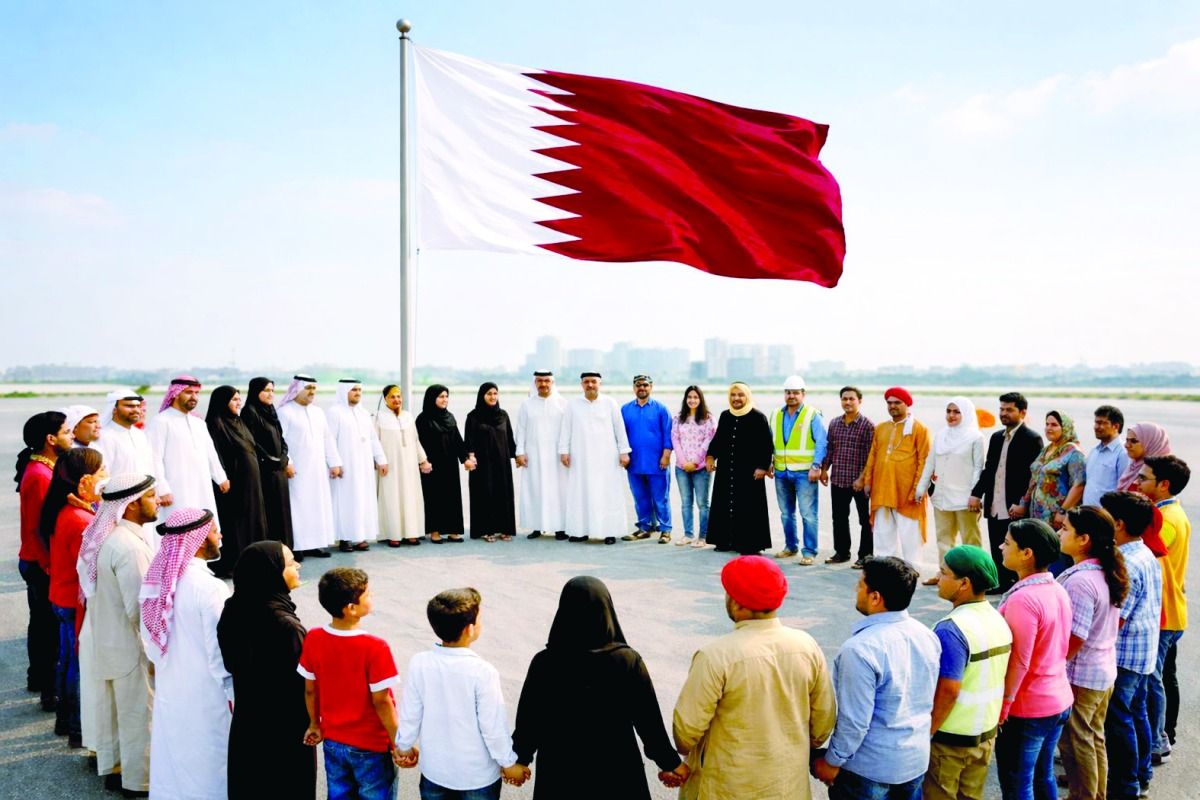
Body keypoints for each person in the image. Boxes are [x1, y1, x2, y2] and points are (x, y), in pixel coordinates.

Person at [673, 556, 835, 799]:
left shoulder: (715, 656)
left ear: (737, 603)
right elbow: (822, 724)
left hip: (726, 788)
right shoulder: (807, 646)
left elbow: (685, 734)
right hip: (787, 787)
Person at [512, 576, 686, 799]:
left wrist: (519, 759)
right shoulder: (627, 661)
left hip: (561, 771)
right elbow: (648, 720)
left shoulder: (545, 662)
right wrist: (670, 763)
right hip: (617, 771)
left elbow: (530, 719)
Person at [812, 556, 940, 799]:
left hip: (869, 771)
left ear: (875, 597)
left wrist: (832, 761)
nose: (855, 589)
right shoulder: (926, 635)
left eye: (860, 584)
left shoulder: (860, 649)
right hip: (914, 760)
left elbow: (855, 721)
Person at [394, 588, 529, 798]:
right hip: (477, 776)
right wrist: (508, 762)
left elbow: (410, 713)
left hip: (435, 772)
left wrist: (403, 746)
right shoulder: (482, 672)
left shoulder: (420, 663)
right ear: (469, 629)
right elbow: (492, 727)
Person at [141, 507, 234, 800]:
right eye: (215, 531)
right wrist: (232, 692)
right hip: (207, 694)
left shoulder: (157, 584)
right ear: (200, 538)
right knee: (209, 763)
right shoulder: (209, 589)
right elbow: (220, 652)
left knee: (175, 760)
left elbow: (150, 641)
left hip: (171, 688)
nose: (221, 536)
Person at [76, 473, 158, 796]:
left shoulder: (112, 537)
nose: (157, 502)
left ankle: (117, 772)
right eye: (150, 497)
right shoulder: (128, 547)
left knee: (117, 712)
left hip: (108, 641)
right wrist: (155, 652)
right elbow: (139, 611)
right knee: (139, 716)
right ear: (132, 505)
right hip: (130, 647)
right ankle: (138, 783)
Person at [217, 541, 315, 800]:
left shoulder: (233, 609)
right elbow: (304, 682)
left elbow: (230, 663)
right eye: (291, 562)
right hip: (286, 729)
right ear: (272, 571)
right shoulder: (285, 626)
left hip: (249, 724)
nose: (298, 566)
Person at [299, 567, 400, 800]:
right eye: (368, 594)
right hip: (371, 744)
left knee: (339, 794)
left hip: (334, 740)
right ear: (352, 608)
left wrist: (315, 724)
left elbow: (310, 690)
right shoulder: (375, 647)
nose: (372, 597)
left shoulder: (314, 637)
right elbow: (382, 701)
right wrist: (398, 742)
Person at [995, 519, 1074, 799]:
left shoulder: (1024, 599)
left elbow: (1019, 661)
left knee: (1019, 785)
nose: (1001, 547)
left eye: (1008, 543)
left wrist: (1003, 706)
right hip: (1057, 699)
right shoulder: (1056, 589)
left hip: (1029, 707)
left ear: (1027, 553)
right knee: (1042, 776)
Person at [926, 545, 1012, 800]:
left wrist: (928, 731)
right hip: (984, 735)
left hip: (950, 740)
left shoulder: (951, 629)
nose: (939, 578)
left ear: (964, 583)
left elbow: (949, 690)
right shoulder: (997, 619)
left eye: (944, 573)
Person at [1055, 506, 1128, 800]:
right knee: (1093, 738)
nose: (1060, 533)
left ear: (1084, 539)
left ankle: (1084, 795)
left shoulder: (1081, 581)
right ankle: (1094, 794)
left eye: (1066, 530)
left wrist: (1056, 666)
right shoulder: (1102, 570)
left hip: (1082, 674)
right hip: (1101, 670)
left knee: (1078, 741)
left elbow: (1076, 636)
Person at [1098, 491, 1161, 799]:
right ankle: (1141, 774)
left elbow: (1116, 620)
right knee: (1136, 714)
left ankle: (1126, 786)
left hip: (1124, 655)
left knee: (1118, 720)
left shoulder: (1127, 564)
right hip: (1142, 651)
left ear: (1118, 524)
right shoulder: (1143, 552)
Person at [41, 447, 106, 747]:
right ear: (84, 481)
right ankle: (77, 727)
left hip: (60, 594)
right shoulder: (80, 518)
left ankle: (65, 720)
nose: (105, 477)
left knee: (67, 660)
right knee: (78, 665)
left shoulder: (65, 507)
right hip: (72, 600)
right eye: (100, 473)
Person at [16, 409, 71, 710]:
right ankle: (48, 689)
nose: (71, 436)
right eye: (66, 432)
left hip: (39, 560)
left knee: (41, 623)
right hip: (40, 562)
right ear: (51, 439)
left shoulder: (46, 467)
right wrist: (51, 566)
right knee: (47, 628)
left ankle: (39, 678)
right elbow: (39, 528)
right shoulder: (39, 475)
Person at [1137, 455, 1190, 767]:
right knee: (1158, 677)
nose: (1139, 482)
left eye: (1145, 478)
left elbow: (1148, 556)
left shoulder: (1166, 520)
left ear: (1164, 484)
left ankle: (1157, 740)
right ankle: (1158, 736)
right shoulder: (1170, 512)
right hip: (1170, 609)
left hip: (1163, 613)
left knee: (1152, 679)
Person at [970, 392, 1044, 595]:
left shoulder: (1032, 438)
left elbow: (1033, 476)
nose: (1004, 413)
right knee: (996, 544)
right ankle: (1001, 583)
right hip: (995, 501)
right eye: (1001, 409)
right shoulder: (995, 437)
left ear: (1022, 412)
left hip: (1015, 505)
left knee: (1017, 547)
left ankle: (1017, 585)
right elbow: (989, 470)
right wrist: (976, 494)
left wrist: (1022, 503)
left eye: (1009, 409)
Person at [917, 396, 985, 585]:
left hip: (966, 498)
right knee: (944, 540)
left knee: (970, 540)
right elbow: (930, 462)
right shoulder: (941, 435)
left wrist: (975, 495)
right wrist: (921, 487)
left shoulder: (975, 437)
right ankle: (944, 575)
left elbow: (979, 468)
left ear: (966, 413)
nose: (951, 415)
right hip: (942, 496)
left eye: (956, 412)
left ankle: (974, 578)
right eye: (949, 411)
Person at [558, 372, 631, 544]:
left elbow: (619, 428)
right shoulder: (573, 404)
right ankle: (579, 531)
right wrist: (563, 451)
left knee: (607, 494)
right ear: (581, 384)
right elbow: (566, 429)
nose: (590, 385)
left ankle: (609, 532)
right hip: (580, 457)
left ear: (600, 383)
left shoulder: (610, 403)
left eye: (593, 382)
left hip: (607, 458)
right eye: (586, 382)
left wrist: (624, 451)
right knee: (580, 493)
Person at [862, 387, 931, 565]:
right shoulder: (881, 428)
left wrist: (919, 488)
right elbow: (873, 456)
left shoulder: (919, 429)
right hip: (882, 489)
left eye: (897, 403)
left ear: (907, 404)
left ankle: (911, 569)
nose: (892, 406)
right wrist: (868, 481)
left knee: (910, 533)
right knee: (882, 532)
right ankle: (884, 567)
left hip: (907, 490)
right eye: (889, 403)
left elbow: (925, 460)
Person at [206, 385, 268, 577]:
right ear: (222, 402)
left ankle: (254, 560)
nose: (238, 402)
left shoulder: (238, 421)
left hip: (251, 484)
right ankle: (234, 563)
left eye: (239, 399)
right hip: (233, 485)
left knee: (253, 520)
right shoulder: (216, 424)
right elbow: (216, 456)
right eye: (233, 399)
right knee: (236, 524)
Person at [277, 375, 342, 558]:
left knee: (317, 505)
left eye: (314, 389)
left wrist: (334, 462)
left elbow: (327, 438)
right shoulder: (285, 412)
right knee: (298, 507)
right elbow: (280, 442)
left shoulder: (318, 412)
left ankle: (314, 544)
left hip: (318, 470)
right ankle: (297, 546)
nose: (312, 392)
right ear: (297, 389)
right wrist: (288, 462)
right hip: (297, 471)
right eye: (308, 389)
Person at [705, 382, 773, 554]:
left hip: (749, 472)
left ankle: (750, 544)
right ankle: (724, 541)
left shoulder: (758, 417)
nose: (736, 398)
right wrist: (711, 456)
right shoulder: (725, 416)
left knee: (749, 508)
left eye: (740, 395)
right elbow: (719, 439)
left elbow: (766, 445)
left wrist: (762, 466)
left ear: (747, 396)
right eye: (733, 395)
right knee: (724, 503)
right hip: (727, 469)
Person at [768, 375, 827, 564]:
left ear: (803, 394)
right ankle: (790, 546)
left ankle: (809, 552)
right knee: (786, 513)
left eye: (795, 392)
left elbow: (821, 442)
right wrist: (769, 462)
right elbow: (771, 442)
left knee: (808, 514)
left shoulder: (812, 415)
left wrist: (816, 466)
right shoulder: (776, 414)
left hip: (804, 473)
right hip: (781, 471)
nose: (791, 396)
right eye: (788, 392)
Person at [327, 380, 388, 552]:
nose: (357, 393)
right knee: (345, 501)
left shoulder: (363, 413)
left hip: (364, 466)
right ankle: (345, 538)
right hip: (345, 466)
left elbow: (372, 438)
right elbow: (329, 440)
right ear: (344, 391)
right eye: (354, 389)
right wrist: (335, 463)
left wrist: (381, 459)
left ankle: (359, 536)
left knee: (363, 500)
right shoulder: (335, 412)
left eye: (360, 389)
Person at [239, 377, 296, 548]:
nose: (270, 394)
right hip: (264, 471)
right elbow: (252, 442)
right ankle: (273, 551)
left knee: (283, 511)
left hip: (278, 470)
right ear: (256, 392)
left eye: (272, 390)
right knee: (270, 512)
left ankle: (286, 549)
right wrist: (273, 460)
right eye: (266, 390)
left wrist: (284, 457)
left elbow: (281, 437)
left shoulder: (271, 410)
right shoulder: (249, 412)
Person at [824, 385, 875, 567]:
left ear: (859, 401)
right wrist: (824, 469)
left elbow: (872, 456)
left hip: (859, 483)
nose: (847, 402)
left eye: (851, 399)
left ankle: (865, 556)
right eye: (844, 399)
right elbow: (830, 449)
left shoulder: (867, 425)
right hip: (838, 479)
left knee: (865, 520)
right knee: (839, 518)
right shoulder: (835, 423)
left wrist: (862, 479)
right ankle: (842, 552)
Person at [374, 384, 431, 547]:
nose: (396, 400)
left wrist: (423, 460)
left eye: (399, 396)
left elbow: (415, 440)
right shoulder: (378, 417)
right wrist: (380, 461)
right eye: (392, 397)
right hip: (390, 466)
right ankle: (394, 534)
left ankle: (411, 533)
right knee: (392, 497)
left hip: (409, 466)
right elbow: (375, 443)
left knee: (410, 496)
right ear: (385, 399)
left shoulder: (408, 416)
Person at [515, 370, 568, 540]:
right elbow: (521, 430)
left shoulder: (563, 403)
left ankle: (560, 527)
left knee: (558, 491)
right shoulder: (527, 404)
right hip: (534, 455)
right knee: (535, 490)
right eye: (539, 381)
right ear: (535, 383)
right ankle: (537, 526)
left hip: (557, 457)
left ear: (552, 382)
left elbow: (568, 431)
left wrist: (566, 451)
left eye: (546, 381)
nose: (543, 384)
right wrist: (520, 453)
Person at [620, 374, 674, 543]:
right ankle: (645, 527)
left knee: (660, 497)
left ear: (651, 387)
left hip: (657, 462)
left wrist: (666, 456)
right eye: (638, 385)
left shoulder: (661, 409)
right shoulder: (625, 409)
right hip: (634, 462)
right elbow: (620, 436)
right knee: (640, 497)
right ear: (633, 387)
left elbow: (668, 435)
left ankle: (665, 529)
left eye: (645, 385)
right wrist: (623, 455)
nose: (641, 388)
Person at [416, 384, 471, 544]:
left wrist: (465, 458)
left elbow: (458, 441)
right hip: (432, 465)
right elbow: (418, 443)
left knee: (452, 496)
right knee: (434, 497)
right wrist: (422, 461)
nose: (444, 399)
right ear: (432, 398)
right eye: (441, 396)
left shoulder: (450, 417)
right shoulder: (423, 419)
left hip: (450, 464)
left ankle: (453, 530)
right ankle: (435, 530)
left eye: (446, 396)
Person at [464, 382, 518, 542]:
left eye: (495, 393)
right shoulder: (473, 416)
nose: (493, 397)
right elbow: (469, 439)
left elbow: (509, 437)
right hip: (482, 463)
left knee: (503, 493)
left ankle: (505, 528)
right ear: (482, 396)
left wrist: (517, 457)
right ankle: (486, 529)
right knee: (485, 493)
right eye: (489, 394)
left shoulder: (503, 415)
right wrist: (470, 457)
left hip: (501, 463)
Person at [1015, 410, 1086, 529]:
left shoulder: (1074, 452)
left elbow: (1079, 485)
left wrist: (1063, 511)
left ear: (1065, 427)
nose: (1049, 428)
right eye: (1047, 424)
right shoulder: (1046, 450)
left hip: (1058, 517)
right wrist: (1023, 504)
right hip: (1037, 515)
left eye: (1054, 425)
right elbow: (1034, 479)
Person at [670, 385, 716, 547]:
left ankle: (703, 536)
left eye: (696, 397)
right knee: (685, 502)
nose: (692, 400)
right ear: (685, 399)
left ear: (700, 399)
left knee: (703, 503)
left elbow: (709, 440)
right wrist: (683, 462)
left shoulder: (708, 419)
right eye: (689, 397)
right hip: (681, 468)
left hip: (701, 468)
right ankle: (688, 534)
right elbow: (675, 440)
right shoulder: (678, 418)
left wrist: (695, 461)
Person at [93, 389, 153, 479]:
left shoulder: (140, 435)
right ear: (114, 409)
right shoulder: (105, 437)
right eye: (130, 406)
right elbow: (103, 474)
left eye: (138, 406)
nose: (136, 410)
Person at [1083, 406, 1129, 506]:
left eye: (1101, 423)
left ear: (1116, 426)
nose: (1096, 427)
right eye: (1096, 422)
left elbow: (1124, 490)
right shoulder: (1094, 451)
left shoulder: (1123, 453)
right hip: (1087, 513)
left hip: (1106, 516)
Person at [1116, 422, 1170, 493]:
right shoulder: (1133, 466)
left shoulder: (1158, 473)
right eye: (1127, 440)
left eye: (1133, 441)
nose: (1126, 445)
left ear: (1150, 443)